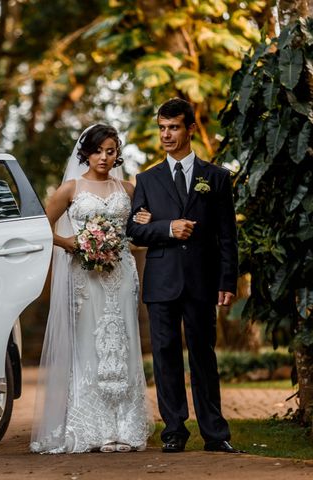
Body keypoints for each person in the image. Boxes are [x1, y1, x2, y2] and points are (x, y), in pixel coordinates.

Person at [126, 98, 240, 454]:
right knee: (165, 356)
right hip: (161, 281)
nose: (166, 135)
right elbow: (133, 230)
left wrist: (228, 281)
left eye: (173, 127)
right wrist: (168, 228)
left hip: (202, 281)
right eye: (162, 128)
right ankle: (174, 431)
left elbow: (227, 235)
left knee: (203, 356)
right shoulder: (146, 179)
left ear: (190, 128)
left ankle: (215, 433)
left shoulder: (217, 178)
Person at [30, 124, 153, 454]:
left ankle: (126, 427)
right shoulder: (70, 188)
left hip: (122, 274)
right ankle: (90, 427)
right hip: (85, 277)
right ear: (85, 153)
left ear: (117, 154)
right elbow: (42, 228)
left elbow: (139, 230)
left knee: (122, 342)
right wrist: (69, 243)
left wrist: (140, 226)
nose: (103, 156)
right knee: (89, 343)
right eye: (98, 150)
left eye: (110, 151)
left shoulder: (127, 189)